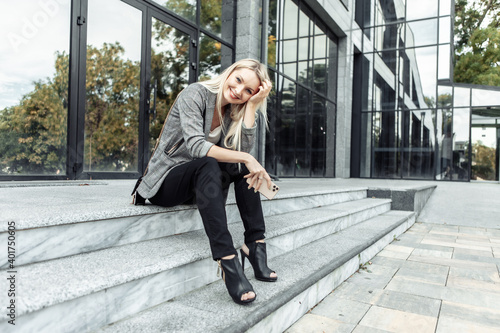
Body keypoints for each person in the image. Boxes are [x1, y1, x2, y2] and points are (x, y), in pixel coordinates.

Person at [132, 59, 277, 305]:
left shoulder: (233, 110)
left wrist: (251, 107)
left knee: (241, 166)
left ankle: (255, 244)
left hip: (200, 183)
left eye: (249, 91)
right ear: (230, 73)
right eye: (239, 80)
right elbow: (197, 147)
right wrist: (247, 157)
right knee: (214, 161)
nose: (239, 91)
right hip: (166, 180)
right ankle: (227, 259)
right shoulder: (195, 94)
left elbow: (240, 153)